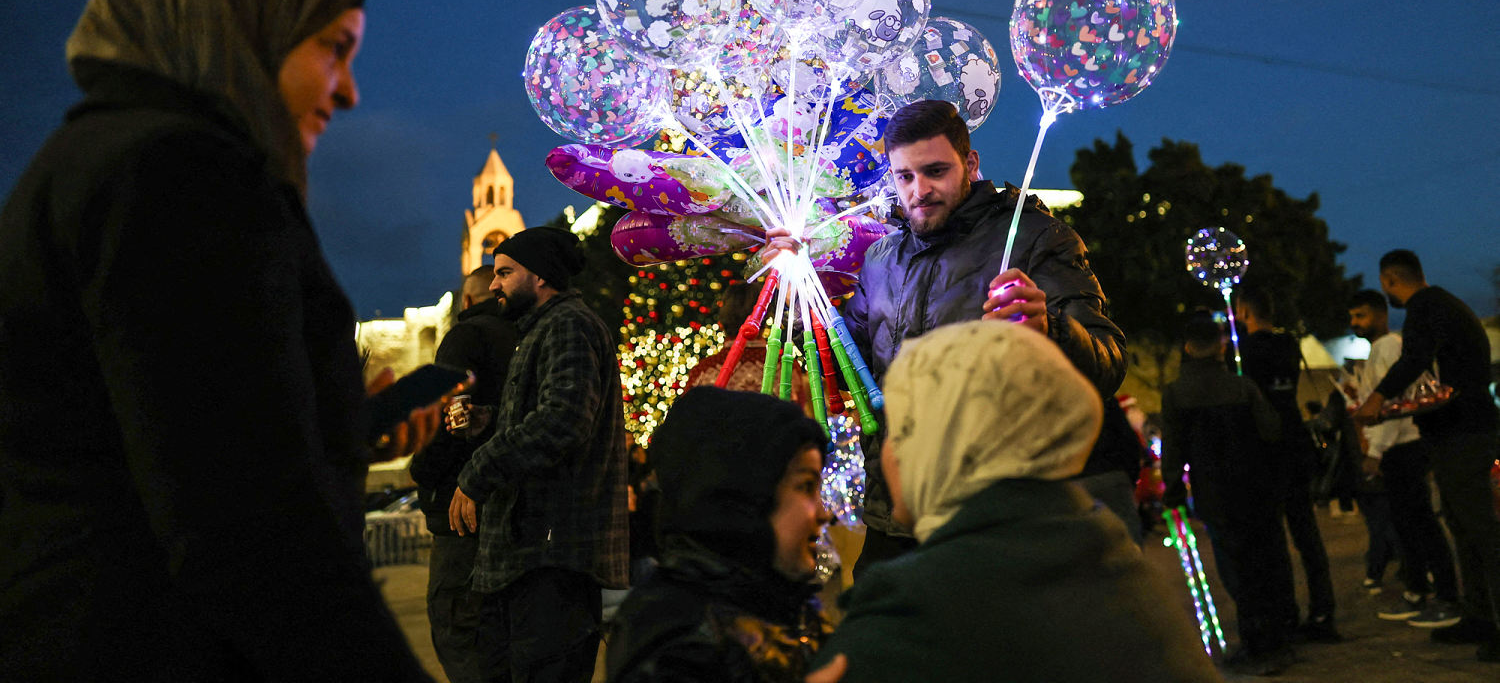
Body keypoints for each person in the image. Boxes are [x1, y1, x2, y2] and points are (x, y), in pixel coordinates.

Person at [0, 0, 434, 680]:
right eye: (334, 48)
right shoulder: (182, 172)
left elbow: (164, 434)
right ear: (243, 28)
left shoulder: (98, 158)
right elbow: (248, 526)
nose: (352, 92)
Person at [770, 98, 1133, 573]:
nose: (919, 190)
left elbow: (1108, 362)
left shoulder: (1036, 239)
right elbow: (848, 368)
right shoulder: (881, 259)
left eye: (935, 170)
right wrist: (798, 295)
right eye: (904, 176)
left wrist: (1051, 329)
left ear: (971, 164)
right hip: (896, 517)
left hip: (995, 520)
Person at [813, 320, 1219, 683]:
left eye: (900, 428)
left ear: (937, 445)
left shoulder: (917, 612)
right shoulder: (1105, 553)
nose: (888, 452)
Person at [449, 225, 630, 682]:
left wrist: (475, 474)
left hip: (550, 557)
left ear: (541, 277)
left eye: (505, 273)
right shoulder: (544, 328)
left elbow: (563, 422)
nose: (493, 286)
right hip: (531, 558)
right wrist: (488, 420)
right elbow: (548, 415)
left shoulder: (568, 325)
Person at [605, 386, 834, 682]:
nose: (825, 512)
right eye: (805, 486)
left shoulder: (784, 602)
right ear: (747, 498)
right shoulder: (677, 638)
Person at [1353, 250, 1500, 663]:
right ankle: (1478, 617)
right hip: (1461, 429)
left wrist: (1378, 398)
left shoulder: (1425, 307)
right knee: (1463, 526)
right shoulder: (1444, 305)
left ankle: (1493, 622)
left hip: (1464, 434)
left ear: (1388, 280)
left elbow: (1413, 360)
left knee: (1480, 529)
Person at [1160, 312, 1298, 676]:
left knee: (1234, 567)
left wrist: (1172, 492)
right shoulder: (1243, 386)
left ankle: (1256, 643)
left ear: (1188, 347)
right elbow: (1271, 430)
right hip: (1256, 487)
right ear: (1221, 346)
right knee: (1266, 560)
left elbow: (1174, 451)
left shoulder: (1176, 393)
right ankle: (1279, 637)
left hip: (1214, 493)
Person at [410, 264, 519, 683]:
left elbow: (446, 414)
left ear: (468, 299)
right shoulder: (528, 334)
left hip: (460, 508)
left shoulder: (466, 336)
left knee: (459, 629)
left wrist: (423, 469)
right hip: (513, 506)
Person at [1347, 288, 1461, 625]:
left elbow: (1394, 402)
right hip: (1398, 447)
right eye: (1352, 317)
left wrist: (1377, 451)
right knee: (1407, 524)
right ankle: (1418, 591)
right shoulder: (1380, 350)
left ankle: (1444, 594)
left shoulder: (1389, 347)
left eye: (1361, 316)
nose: (1355, 323)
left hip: (1404, 446)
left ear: (1381, 315)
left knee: (1419, 522)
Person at [1234, 285, 1339, 641]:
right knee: (1307, 532)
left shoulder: (1243, 351)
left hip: (1263, 449)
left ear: (1244, 312)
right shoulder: (1289, 345)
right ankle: (1324, 611)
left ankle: (1284, 614)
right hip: (1295, 442)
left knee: (1272, 537)